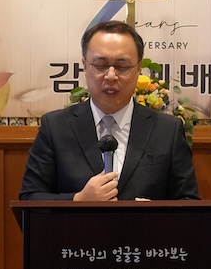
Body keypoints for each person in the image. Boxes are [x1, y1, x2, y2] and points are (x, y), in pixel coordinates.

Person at [19, 20, 199, 201]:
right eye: (101, 65)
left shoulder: (167, 130)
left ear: (138, 69)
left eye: (122, 67)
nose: (111, 76)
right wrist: (79, 200)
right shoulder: (55, 128)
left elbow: (189, 202)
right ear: (85, 66)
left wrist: (156, 213)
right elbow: (29, 198)